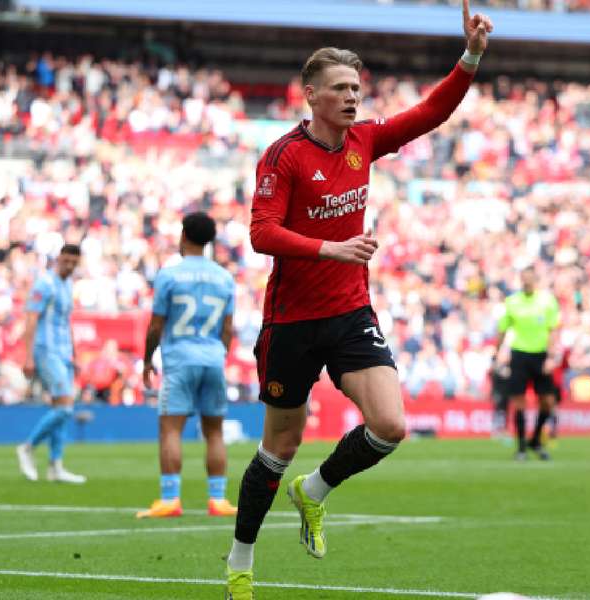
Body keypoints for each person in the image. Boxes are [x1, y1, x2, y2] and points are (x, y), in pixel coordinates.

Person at [225, 3, 494, 597]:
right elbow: (261, 232)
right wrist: (332, 248)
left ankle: (315, 491)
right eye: (341, 89)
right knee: (279, 445)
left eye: (357, 88)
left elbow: (431, 111)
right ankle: (240, 562)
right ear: (311, 95)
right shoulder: (283, 155)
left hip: (350, 313)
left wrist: (471, 55)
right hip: (291, 320)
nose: (352, 98)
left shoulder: (364, 141)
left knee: (391, 425)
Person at [138, 212, 238, 519]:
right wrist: (219, 355)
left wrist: (147, 360)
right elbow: (227, 328)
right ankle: (218, 500)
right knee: (215, 432)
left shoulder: (170, 275)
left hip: (180, 359)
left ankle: (170, 498)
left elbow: (156, 325)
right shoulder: (224, 277)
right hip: (212, 359)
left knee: (170, 430)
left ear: (183, 236)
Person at [15, 244, 86, 484]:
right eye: (66, 260)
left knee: (62, 410)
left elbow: (66, 322)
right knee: (65, 406)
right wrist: (28, 356)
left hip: (64, 353)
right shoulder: (44, 284)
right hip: (46, 350)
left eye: (74, 262)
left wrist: (74, 353)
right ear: (59, 258)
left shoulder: (67, 285)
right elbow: (31, 319)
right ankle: (28, 447)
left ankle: (56, 466)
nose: (70, 265)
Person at [495, 266, 561, 461]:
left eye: (530, 279)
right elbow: (503, 330)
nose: (526, 283)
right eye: (523, 279)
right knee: (519, 401)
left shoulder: (547, 301)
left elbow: (553, 330)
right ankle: (522, 447)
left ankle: (536, 440)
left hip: (541, 355)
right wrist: (496, 353)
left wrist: (551, 356)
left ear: (536, 280)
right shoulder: (512, 302)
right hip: (519, 355)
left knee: (547, 401)